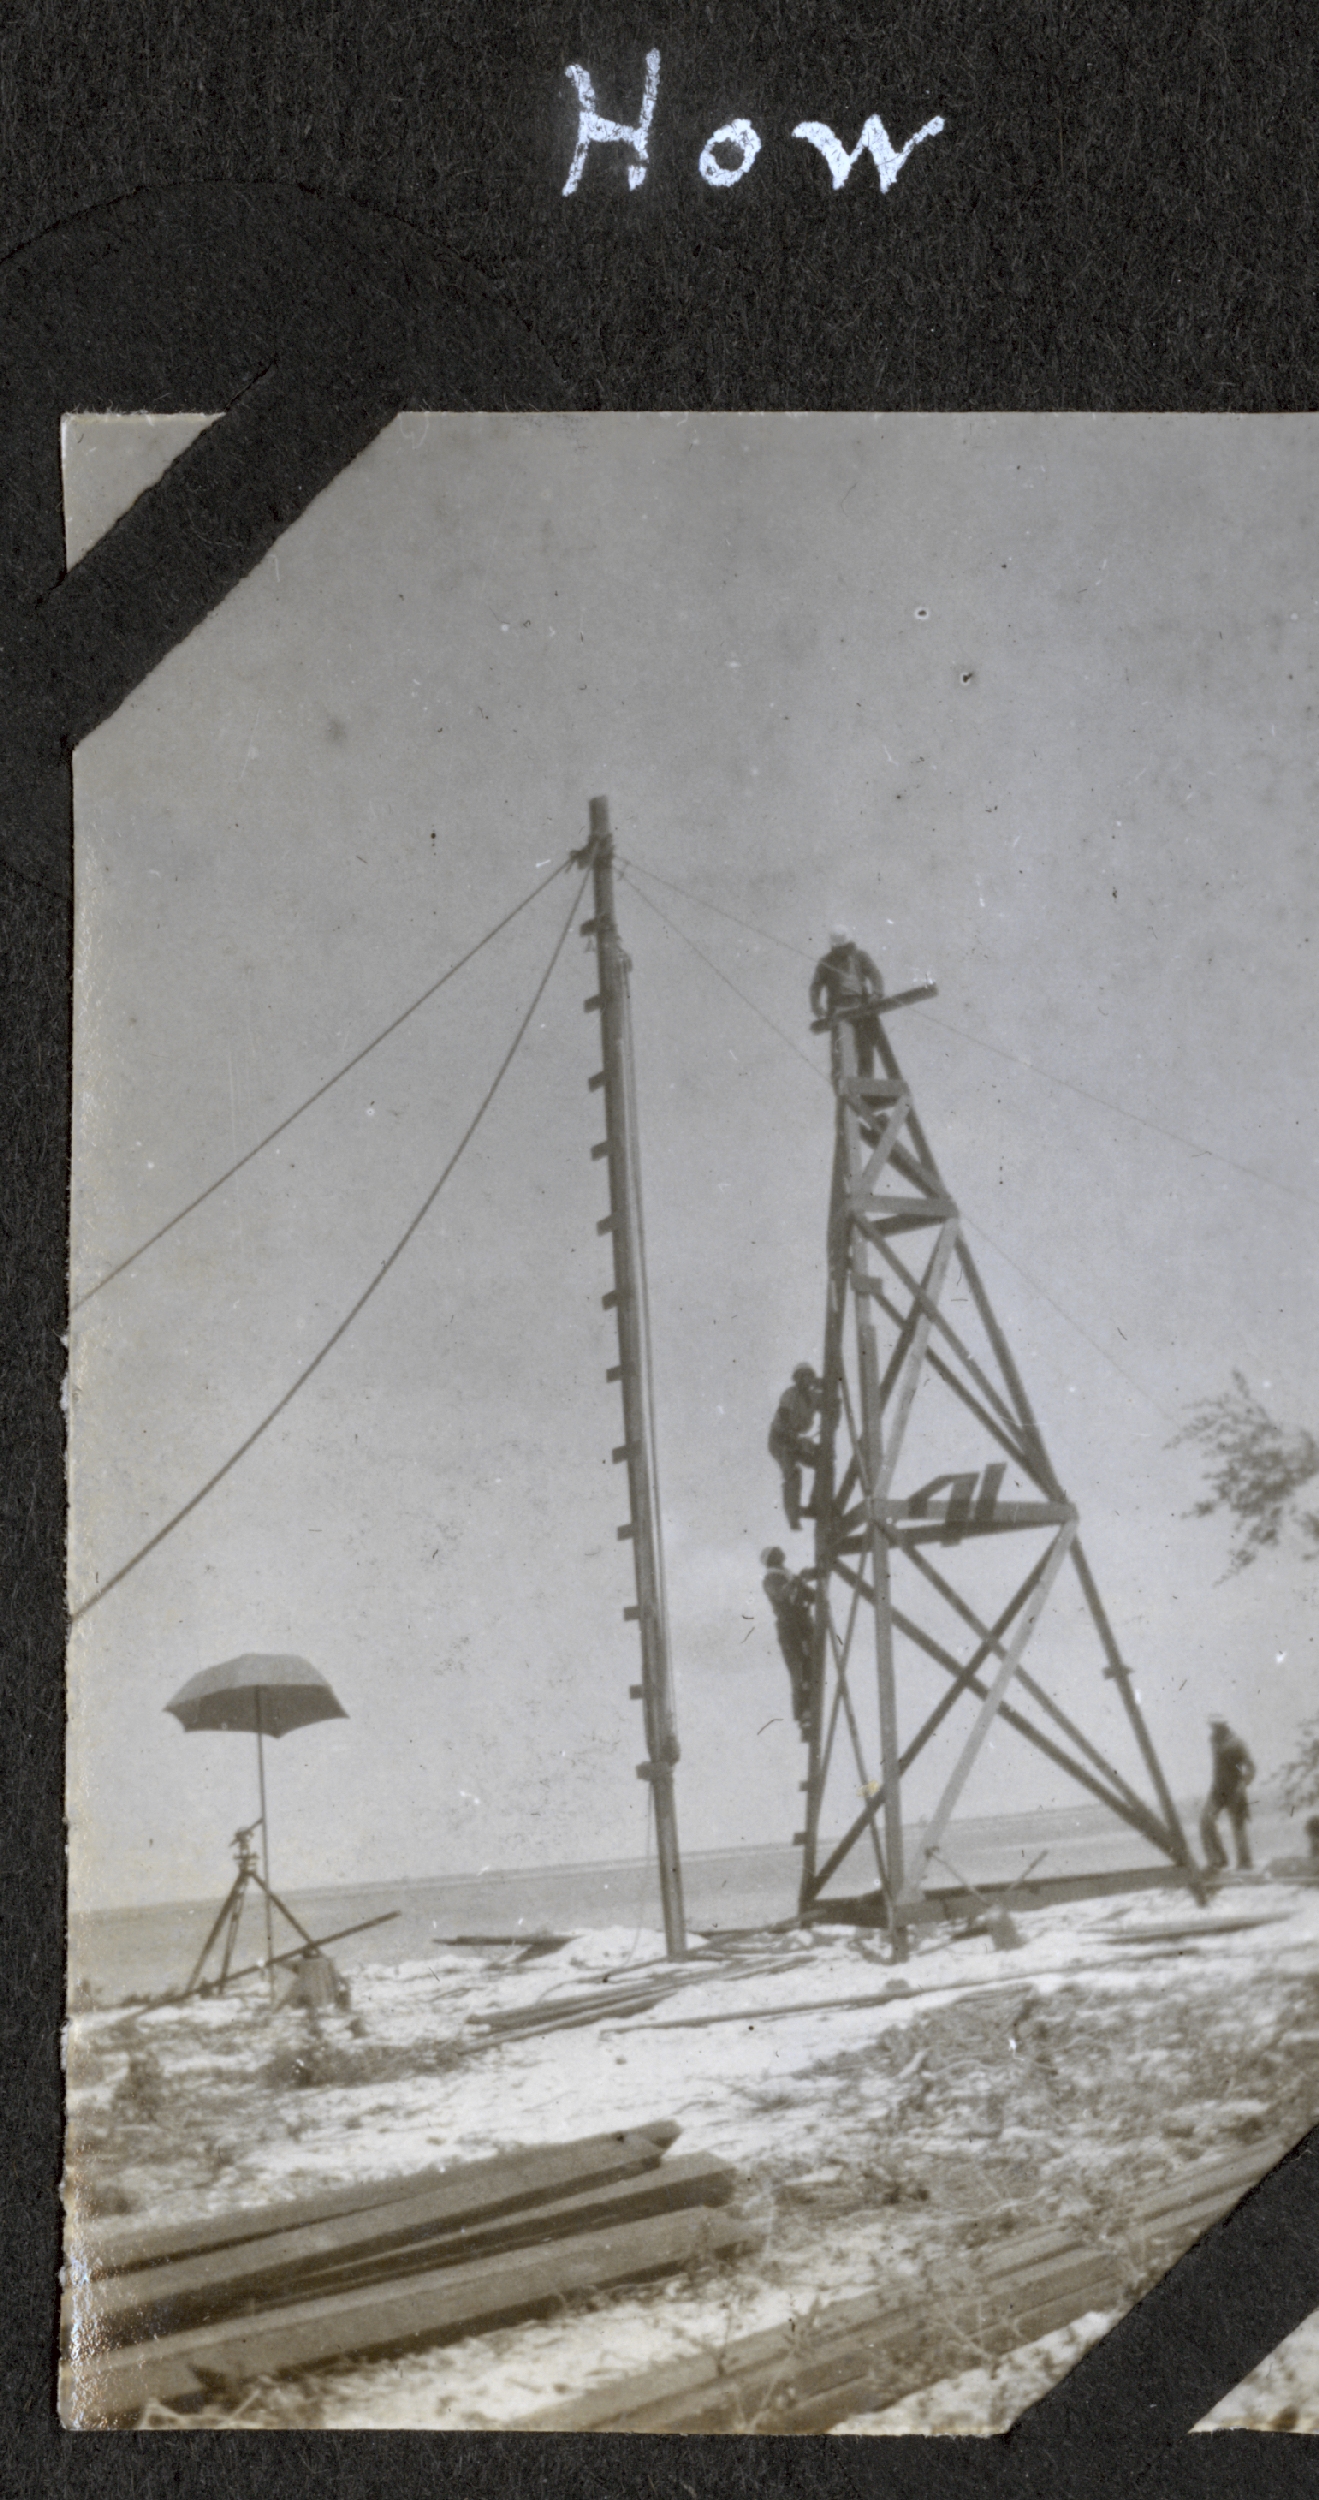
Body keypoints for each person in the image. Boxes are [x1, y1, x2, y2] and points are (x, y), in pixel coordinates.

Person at [809, 925, 885, 1070]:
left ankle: (866, 1082)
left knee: (866, 1047)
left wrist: (877, 992)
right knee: (842, 1051)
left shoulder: (860, 956)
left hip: (861, 1006)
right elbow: (816, 985)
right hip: (839, 1008)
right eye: (839, 948)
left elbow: (874, 973)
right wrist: (816, 1006)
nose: (842, 951)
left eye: (845, 947)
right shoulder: (826, 961)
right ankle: (842, 1086)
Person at [761, 1547, 815, 1735]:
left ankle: (807, 1713)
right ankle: (804, 1715)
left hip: (800, 1625)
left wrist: (808, 1580)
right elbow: (781, 1595)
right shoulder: (771, 1579)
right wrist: (800, 1580)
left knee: (806, 1668)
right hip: (790, 1627)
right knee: (799, 1670)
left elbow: (809, 1595)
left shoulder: (786, 1575)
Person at [768, 1364, 822, 1530]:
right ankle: (793, 1515)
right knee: (792, 1472)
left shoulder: (813, 1397)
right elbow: (784, 1416)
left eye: (808, 1377)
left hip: (794, 1440)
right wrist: (796, 1441)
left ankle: (816, 1503)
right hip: (780, 1439)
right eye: (802, 1377)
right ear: (797, 1379)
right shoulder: (790, 1394)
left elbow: (829, 1400)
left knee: (822, 1463)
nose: (805, 1381)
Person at [1199, 1716, 1256, 1871]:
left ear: (1223, 1726)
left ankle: (1245, 1863)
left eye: (1216, 1726)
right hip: (1217, 1789)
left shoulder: (1237, 1743)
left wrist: (1243, 1784)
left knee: (1238, 1826)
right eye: (1212, 1726)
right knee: (1206, 1821)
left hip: (1234, 1789)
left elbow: (1251, 1766)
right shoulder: (1214, 1741)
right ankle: (1217, 1860)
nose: (1213, 1730)